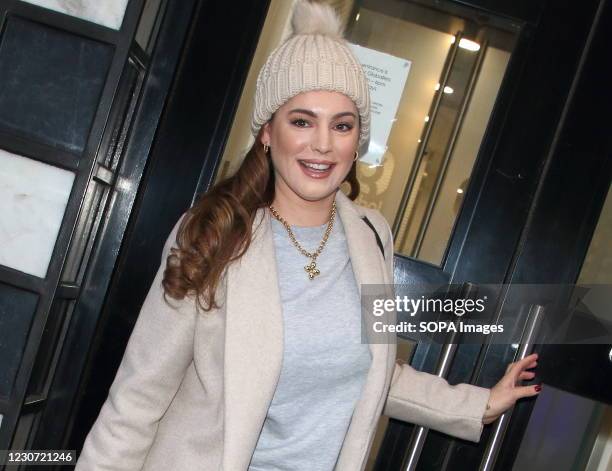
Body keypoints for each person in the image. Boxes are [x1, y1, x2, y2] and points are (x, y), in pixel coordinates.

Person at [75, 1, 541, 470]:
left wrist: (475, 404)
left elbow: (369, 372)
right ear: (267, 131)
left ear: (357, 140)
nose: (322, 144)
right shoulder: (214, 233)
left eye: (342, 125)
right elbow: (137, 400)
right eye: (302, 121)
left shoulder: (370, 235)